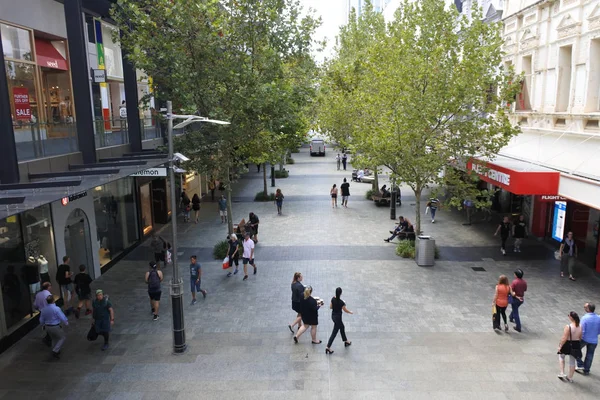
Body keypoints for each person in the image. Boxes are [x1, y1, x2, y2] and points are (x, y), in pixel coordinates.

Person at [325, 287, 353, 355]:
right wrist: (350, 312)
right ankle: (328, 347)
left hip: (333, 316)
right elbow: (345, 310)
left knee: (342, 327)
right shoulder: (341, 302)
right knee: (334, 332)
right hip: (338, 318)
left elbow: (331, 307)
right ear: (341, 293)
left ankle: (346, 341)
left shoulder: (333, 299)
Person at [558, 312, 582, 382]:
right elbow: (580, 337)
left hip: (568, 343)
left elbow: (564, 338)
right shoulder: (580, 326)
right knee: (572, 361)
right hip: (576, 343)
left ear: (571, 317)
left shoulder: (568, 326)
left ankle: (562, 372)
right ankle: (570, 377)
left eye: (569, 315)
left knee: (561, 356)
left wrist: (560, 346)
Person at [576, 303, 600, 376]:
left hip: (584, 339)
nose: (584, 308)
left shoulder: (585, 318)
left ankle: (580, 364)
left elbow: (582, 330)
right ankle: (586, 370)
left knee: (575, 350)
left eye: (585, 307)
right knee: (590, 355)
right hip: (594, 340)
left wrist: (578, 339)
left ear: (588, 309)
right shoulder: (598, 318)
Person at [34, 282, 53, 347]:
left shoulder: (38, 294)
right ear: (48, 287)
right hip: (48, 312)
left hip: (41, 312)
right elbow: (52, 304)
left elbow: (35, 305)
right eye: (50, 286)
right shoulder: (49, 295)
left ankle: (48, 338)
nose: (51, 287)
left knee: (46, 325)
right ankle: (48, 339)